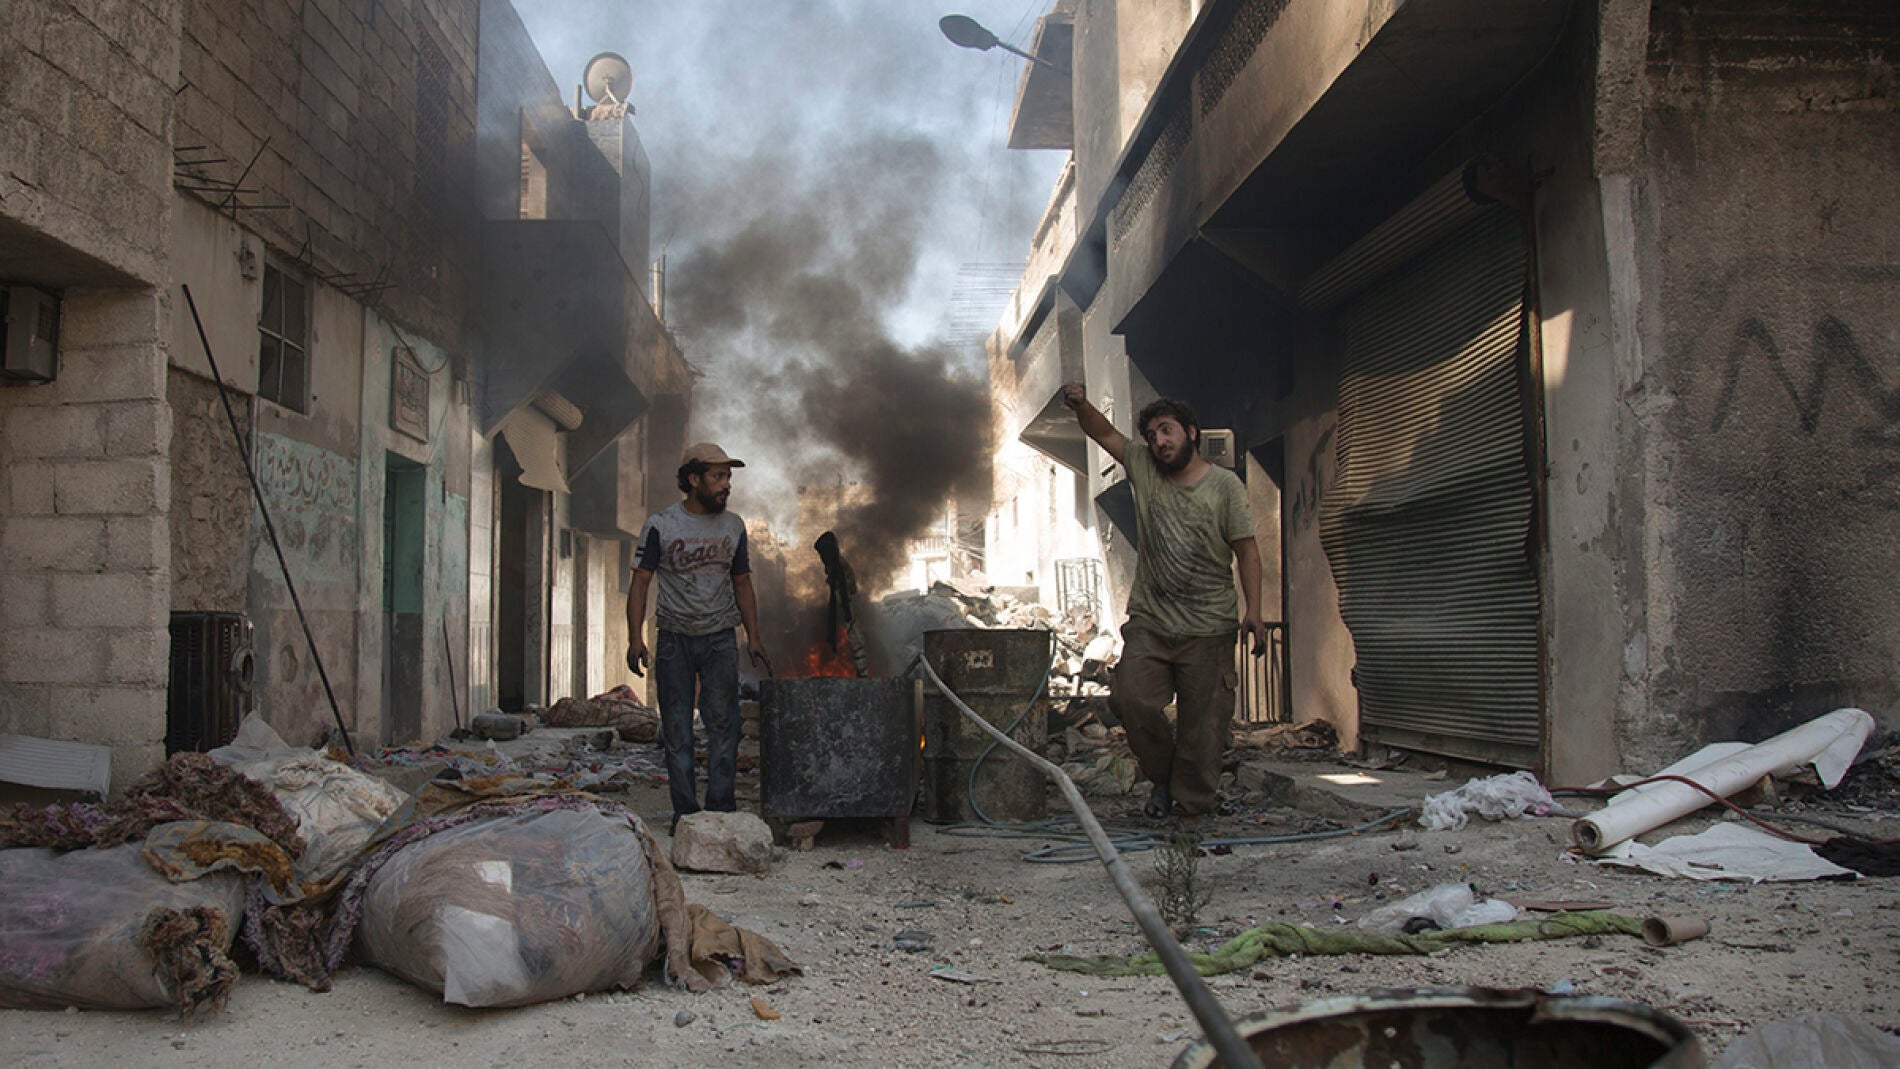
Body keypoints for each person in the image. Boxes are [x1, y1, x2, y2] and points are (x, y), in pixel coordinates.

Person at [1061, 383, 1269, 824]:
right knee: (1131, 699)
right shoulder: (1145, 468)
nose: (1159, 441)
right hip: (1152, 622)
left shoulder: (1225, 487)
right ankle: (1161, 777)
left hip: (1209, 626)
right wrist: (1080, 404)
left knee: (1204, 724)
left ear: (1191, 433)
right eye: (1152, 434)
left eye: (1167, 431)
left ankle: (1190, 806)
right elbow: (1105, 434)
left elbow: (1247, 549)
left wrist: (1254, 610)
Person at [627, 442, 773, 830]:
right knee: (677, 730)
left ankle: (720, 812)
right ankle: (687, 816)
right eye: (718, 476)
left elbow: (742, 583)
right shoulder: (661, 525)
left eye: (729, 477)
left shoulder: (734, 526)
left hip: (720, 640)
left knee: (724, 726)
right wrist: (635, 638)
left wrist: (753, 636)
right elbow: (640, 583)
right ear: (693, 479)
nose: (727, 485)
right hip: (674, 639)